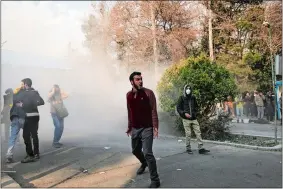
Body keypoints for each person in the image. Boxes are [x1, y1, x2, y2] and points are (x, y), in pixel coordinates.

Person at [126, 72, 160, 188]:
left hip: (147, 128)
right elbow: (130, 112)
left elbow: (153, 110)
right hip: (135, 128)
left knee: (147, 153)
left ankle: (155, 180)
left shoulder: (148, 93)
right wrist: (129, 127)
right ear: (132, 82)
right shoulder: (128, 95)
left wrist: (155, 127)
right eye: (137, 79)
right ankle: (143, 163)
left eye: (141, 79)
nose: (140, 81)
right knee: (135, 151)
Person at [176, 84, 210, 155]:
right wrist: (184, 113)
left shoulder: (193, 97)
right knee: (188, 134)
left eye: (189, 89)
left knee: (198, 133)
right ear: (184, 90)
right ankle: (188, 148)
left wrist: (195, 113)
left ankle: (201, 148)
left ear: (191, 90)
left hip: (194, 119)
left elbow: (196, 106)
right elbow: (178, 108)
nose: (188, 90)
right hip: (185, 119)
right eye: (187, 89)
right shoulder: (181, 98)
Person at [17, 78, 45, 163]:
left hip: (29, 116)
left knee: (26, 135)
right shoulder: (35, 92)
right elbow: (41, 102)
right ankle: (36, 153)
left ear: (26, 84)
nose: (22, 85)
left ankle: (30, 155)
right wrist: (33, 103)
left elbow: (18, 102)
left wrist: (22, 105)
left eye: (22, 84)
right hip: (36, 116)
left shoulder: (25, 93)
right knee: (34, 135)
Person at [6, 79, 27, 163]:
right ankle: (31, 153)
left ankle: (9, 155)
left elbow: (12, 102)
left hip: (15, 116)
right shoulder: (27, 93)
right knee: (28, 135)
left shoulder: (15, 93)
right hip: (23, 116)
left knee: (13, 136)